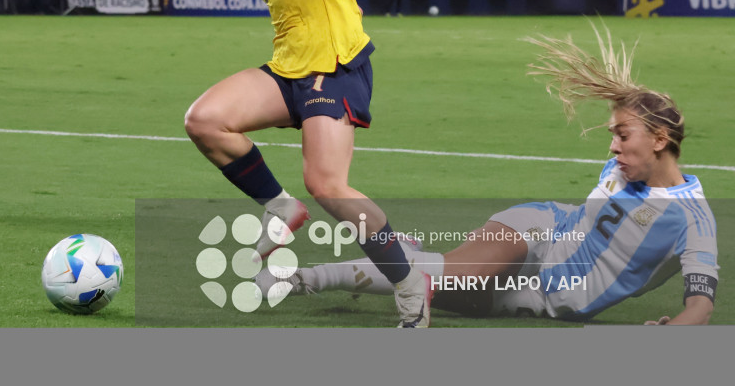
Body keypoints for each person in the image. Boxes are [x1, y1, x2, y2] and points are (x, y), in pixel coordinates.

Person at [256, 26, 719, 325]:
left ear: (660, 139)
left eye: (623, 135)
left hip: (545, 298)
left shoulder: (692, 220)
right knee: (462, 272)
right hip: (539, 231)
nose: (612, 146)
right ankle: (300, 278)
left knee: (445, 287)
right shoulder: (624, 166)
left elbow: (699, 304)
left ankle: (400, 253)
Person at [186, 0, 430, 327]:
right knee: (205, 121)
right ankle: (281, 208)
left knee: (328, 185)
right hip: (290, 68)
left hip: (334, 67)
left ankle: (409, 286)